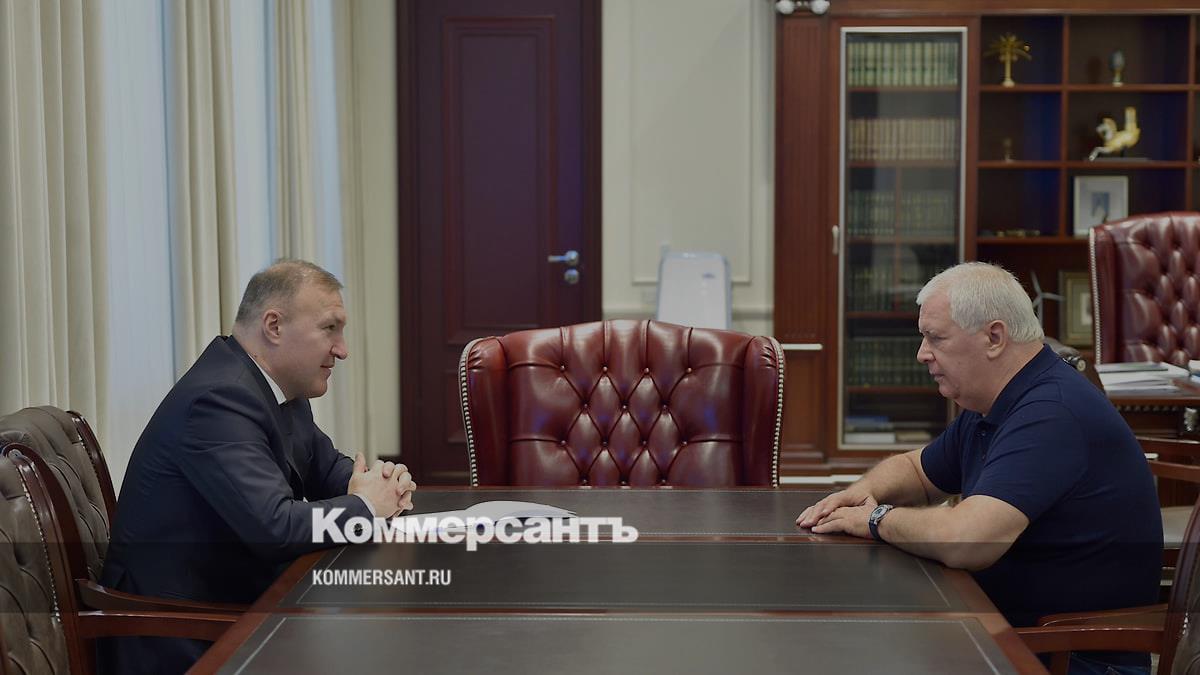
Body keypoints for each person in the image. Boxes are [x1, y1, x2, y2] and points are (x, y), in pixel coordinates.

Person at [796, 262, 1161, 675]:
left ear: (994, 337)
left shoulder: (1052, 413)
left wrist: (877, 519)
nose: (922, 353)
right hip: (1005, 636)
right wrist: (863, 492)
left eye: (936, 338)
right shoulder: (998, 399)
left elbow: (968, 540)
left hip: (1064, 657)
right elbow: (917, 470)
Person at [101, 259, 416, 674]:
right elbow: (275, 527)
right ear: (274, 326)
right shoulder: (219, 399)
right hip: (180, 633)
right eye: (329, 328)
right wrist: (367, 507)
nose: (342, 349)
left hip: (240, 601)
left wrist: (383, 485)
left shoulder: (273, 387)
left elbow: (326, 470)